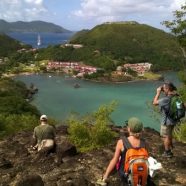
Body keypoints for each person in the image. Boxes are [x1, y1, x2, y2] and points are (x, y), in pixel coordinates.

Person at [97, 117, 149, 186]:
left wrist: (105, 176)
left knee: (118, 159)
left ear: (129, 129)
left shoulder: (121, 142)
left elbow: (114, 160)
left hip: (126, 176)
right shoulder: (145, 143)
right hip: (141, 175)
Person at [153, 82, 177, 158]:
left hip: (166, 121)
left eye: (164, 88)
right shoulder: (175, 96)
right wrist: (165, 92)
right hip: (173, 120)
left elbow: (154, 103)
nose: (163, 89)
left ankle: (167, 152)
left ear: (167, 89)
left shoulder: (166, 99)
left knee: (165, 136)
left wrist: (158, 93)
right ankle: (170, 146)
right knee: (169, 135)